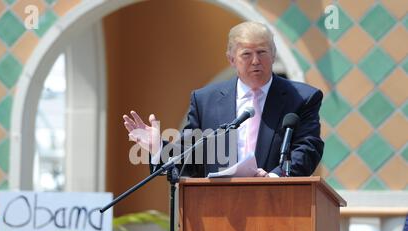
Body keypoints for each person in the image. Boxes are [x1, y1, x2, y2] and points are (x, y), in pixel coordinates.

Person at [123, 21, 324, 178]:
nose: (255, 61)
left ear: (273, 55)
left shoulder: (302, 99)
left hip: (278, 204)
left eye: (262, 52)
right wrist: (158, 146)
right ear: (231, 59)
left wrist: (273, 177)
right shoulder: (205, 101)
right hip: (220, 211)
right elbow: (191, 159)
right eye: (246, 54)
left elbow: (308, 149)